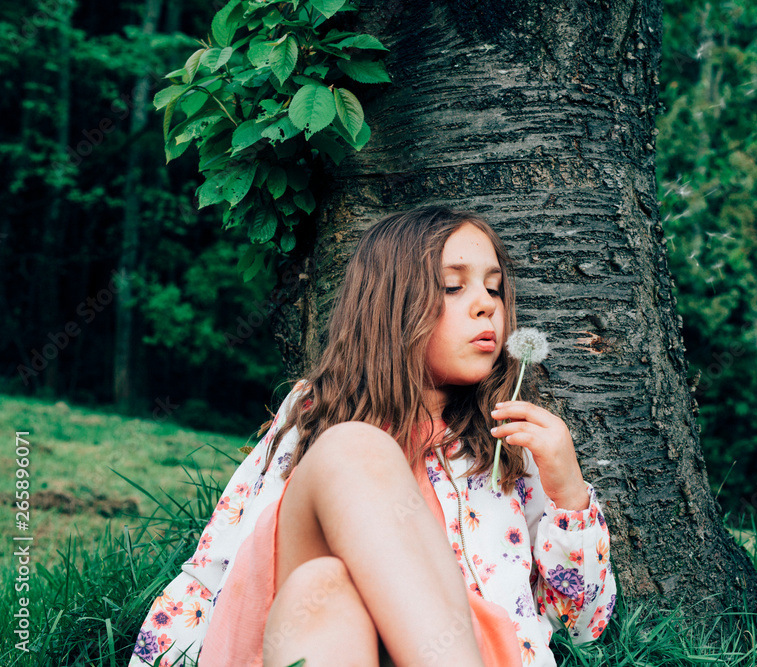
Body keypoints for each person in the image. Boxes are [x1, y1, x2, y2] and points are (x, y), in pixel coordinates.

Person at [128, 206, 617, 667]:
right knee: (327, 570)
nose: (485, 307)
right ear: (389, 305)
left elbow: (580, 627)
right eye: (452, 287)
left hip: (475, 648)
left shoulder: (506, 441)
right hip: (310, 633)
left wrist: (568, 493)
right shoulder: (318, 411)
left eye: (494, 289)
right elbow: (214, 567)